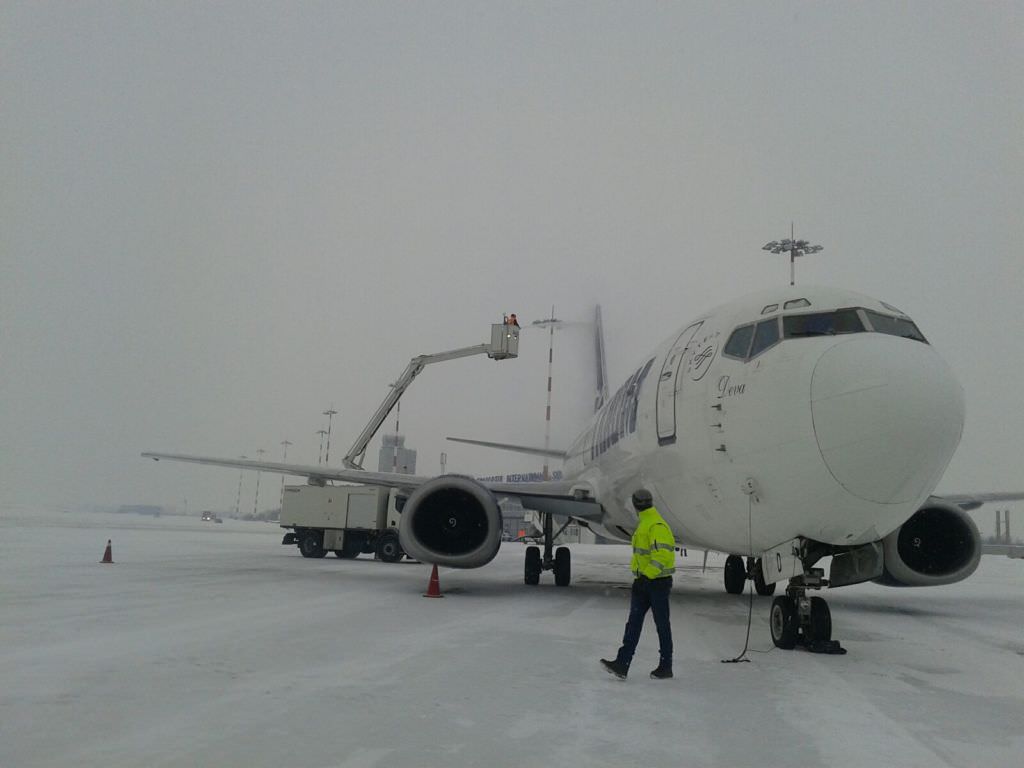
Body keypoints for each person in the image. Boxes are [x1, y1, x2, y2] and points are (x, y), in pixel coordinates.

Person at [601, 488, 676, 680]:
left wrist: (647, 576)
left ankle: (665, 666)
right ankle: (622, 664)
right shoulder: (646, 523)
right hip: (644, 582)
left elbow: (663, 554)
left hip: (656, 583)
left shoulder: (655, 525)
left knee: (659, 625)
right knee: (635, 623)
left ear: (634, 505)